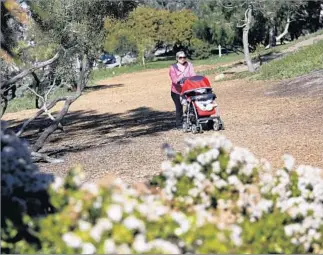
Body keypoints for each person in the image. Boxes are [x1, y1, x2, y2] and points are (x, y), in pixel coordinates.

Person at [169, 51, 196, 129]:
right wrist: (180, 80)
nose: (182, 59)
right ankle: (179, 124)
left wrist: (194, 79)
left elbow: (193, 74)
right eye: (180, 57)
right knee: (179, 107)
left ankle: (192, 119)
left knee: (192, 104)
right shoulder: (173, 67)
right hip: (177, 91)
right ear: (177, 58)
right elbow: (174, 79)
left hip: (188, 89)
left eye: (184, 57)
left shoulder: (189, 64)